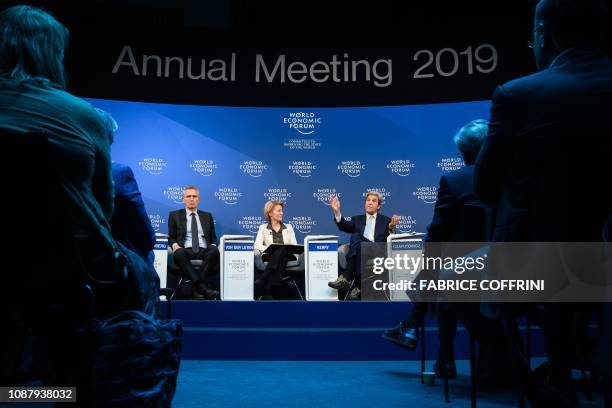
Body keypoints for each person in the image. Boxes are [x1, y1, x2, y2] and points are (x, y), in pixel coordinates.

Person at [0, 4, 159, 398]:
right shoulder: (83, 116)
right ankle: (121, 383)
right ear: (54, 53)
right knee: (143, 272)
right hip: (66, 270)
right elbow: (102, 210)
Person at [474, 0, 612, 404]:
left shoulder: (520, 95)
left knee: (448, 279)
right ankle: (567, 359)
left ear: (543, 33)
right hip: (595, 261)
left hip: (548, 265)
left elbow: (485, 190)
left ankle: (542, 375)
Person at [382, 119, 492, 379]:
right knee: (443, 275)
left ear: (464, 153)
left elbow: (438, 233)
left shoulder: (454, 180)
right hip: (512, 266)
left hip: (463, 272)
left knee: (440, 275)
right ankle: (413, 328)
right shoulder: (511, 176)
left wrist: (428, 270)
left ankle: (432, 347)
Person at [328, 191, 400, 299]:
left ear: (378, 206)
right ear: (365, 203)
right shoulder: (356, 219)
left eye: (374, 201)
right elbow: (345, 226)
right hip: (362, 252)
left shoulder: (386, 220)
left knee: (356, 238)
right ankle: (359, 287)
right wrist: (337, 212)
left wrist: (391, 228)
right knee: (357, 239)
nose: (370, 203)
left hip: (378, 253)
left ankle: (347, 277)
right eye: (368, 200)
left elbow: (390, 239)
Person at [168, 185, 220, 300]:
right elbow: (171, 237)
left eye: (194, 196)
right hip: (185, 250)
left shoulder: (207, 216)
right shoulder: (174, 215)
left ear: (198, 199)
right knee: (179, 253)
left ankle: (198, 287)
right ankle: (202, 288)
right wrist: (175, 246)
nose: (191, 199)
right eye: (188, 196)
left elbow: (214, 238)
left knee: (214, 250)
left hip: (203, 250)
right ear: (183, 199)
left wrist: (213, 245)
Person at [254, 200, 299, 299]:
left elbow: (294, 245)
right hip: (271, 256)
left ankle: (264, 279)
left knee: (283, 249)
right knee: (280, 252)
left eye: (282, 211)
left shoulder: (288, 227)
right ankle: (273, 286)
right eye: (279, 211)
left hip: (289, 256)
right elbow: (257, 245)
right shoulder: (263, 228)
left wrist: (281, 249)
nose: (281, 213)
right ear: (270, 213)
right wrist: (271, 248)